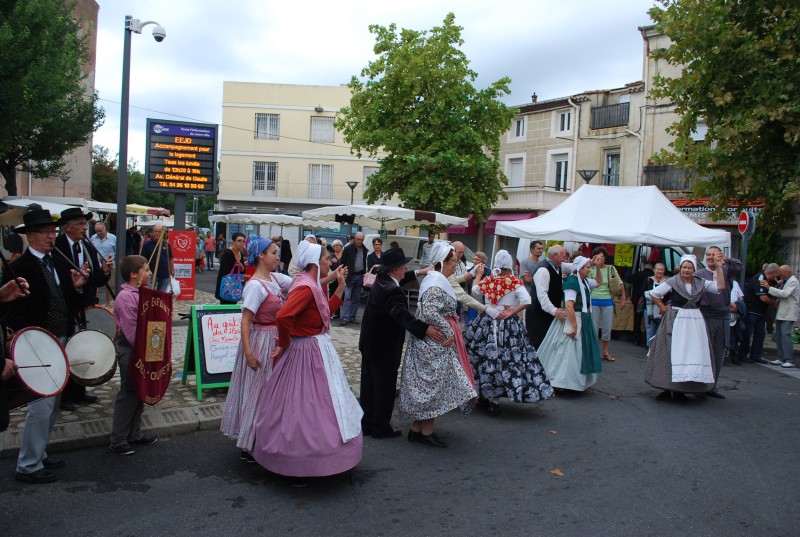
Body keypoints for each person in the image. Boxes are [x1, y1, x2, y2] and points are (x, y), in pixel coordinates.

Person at [251, 240, 362, 477]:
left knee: (320, 405)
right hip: (305, 352)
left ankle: (315, 458)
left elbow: (321, 318)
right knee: (305, 407)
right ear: (314, 262)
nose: (328, 261)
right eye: (325, 258)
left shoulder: (310, 284)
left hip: (315, 349)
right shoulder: (304, 287)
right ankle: (300, 461)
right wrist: (284, 343)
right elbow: (283, 317)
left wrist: (340, 288)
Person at [3, 208, 89, 484]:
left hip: (60, 338)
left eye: (53, 232)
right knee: (40, 405)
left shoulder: (58, 263)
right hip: (36, 342)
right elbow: (10, 311)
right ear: (30, 236)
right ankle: (28, 464)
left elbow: (68, 303)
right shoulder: (19, 268)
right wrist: (24, 340)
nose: (51, 236)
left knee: (53, 403)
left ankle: (39, 453)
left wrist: (75, 287)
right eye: (45, 232)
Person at [221, 236, 292, 461]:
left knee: (270, 392)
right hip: (261, 340)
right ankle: (250, 442)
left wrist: (330, 276)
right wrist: (249, 353)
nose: (277, 256)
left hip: (274, 340)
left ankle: (263, 438)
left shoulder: (275, 278)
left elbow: (303, 283)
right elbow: (245, 321)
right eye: (273, 252)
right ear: (261, 256)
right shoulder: (254, 286)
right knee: (257, 392)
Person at [400, 242, 477, 448]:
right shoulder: (436, 282)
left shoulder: (437, 279)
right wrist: (448, 329)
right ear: (442, 262)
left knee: (428, 386)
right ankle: (426, 432)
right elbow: (429, 312)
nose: (455, 264)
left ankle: (417, 430)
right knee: (433, 387)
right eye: (453, 261)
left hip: (432, 341)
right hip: (434, 342)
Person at [358, 248, 439, 438]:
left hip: (370, 343)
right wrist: (424, 328)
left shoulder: (383, 280)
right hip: (383, 346)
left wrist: (420, 271)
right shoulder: (392, 290)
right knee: (384, 388)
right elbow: (401, 315)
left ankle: (368, 424)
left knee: (369, 387)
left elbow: (402, 279)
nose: (406, 268)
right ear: (395, 269)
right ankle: (380, 428)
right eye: (403, 266)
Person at [465, 250, 555, 416]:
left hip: (487, 322)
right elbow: (527, 300)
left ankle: (486, 395)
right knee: (509, 360)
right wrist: (513, 311)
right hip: (507, 325)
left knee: (484, 358)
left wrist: (478, 274)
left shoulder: (489, 280)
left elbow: (475, 292)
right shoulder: (514, 282)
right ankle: (495, 400)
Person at [645, 254, 725, 400]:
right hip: (676, 319)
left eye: (690, 268)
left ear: (694, 269)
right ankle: (667, 389)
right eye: (684, 267)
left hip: (695, 321)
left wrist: (719, 268)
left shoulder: (700, 282)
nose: (686, 270)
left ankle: (682, 389)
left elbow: (719, 287)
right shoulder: (673, 282)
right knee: (672, 353)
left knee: (691, 354)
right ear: (680, 268)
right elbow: (654, 294)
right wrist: (663, 307)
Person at [55, 208, 111, 411]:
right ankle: (65, 395)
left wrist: (105, 272)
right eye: (80, 224)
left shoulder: (86, 245)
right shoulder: (57, 247)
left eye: (84, 223)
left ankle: (80, 391)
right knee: (67, 350)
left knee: (82, 347)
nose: (84, 227)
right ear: (68, 227)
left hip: (85, 306)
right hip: (67, 307)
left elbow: (95, 278)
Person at [109, 255, 159, 455]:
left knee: (140, 392)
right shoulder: (126, 297)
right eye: (146, 270)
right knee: (129, 393)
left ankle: (134, 434)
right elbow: (131, 333)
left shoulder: (142, 292)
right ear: (133, 274)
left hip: (143, 348)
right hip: (132, 350)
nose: (150, 273)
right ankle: (118, 439)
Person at [536, 255, 604, 392]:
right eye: (587, 268)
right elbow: (569, 305)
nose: (589, 270)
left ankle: (570, 381)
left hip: (582, 317)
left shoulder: (583, 281)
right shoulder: (572, 283)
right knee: (567, 351)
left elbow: (598, 282)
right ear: (579, 269)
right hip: (574, 317)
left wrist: (597, 267)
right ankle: (561, 381)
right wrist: (574, 325)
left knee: (577, 351)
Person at [696, 247, 743, 398]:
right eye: (708, 255)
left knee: (718, 353)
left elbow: (740, 267)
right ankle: (700, 387)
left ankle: (711, 387)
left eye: (714, 255)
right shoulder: (699, 274)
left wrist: (726, 260)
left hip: (723, 316)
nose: (710, 257)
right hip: (705, 315)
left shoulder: (726, 269)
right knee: (704, 353)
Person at [588, 246, 627, 362]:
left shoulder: (611, 268)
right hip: (593, 300)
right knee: (593, 328)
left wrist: (623, 298)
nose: (601, 259)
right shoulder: (590, 269)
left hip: (607, 301)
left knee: (607, 327)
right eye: (598, 257)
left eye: (602, 256)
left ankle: (605, 351)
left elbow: (620, 283)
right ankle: (594, 352)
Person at [529, 245, 570, 349]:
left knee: (547, 344)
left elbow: (572, 266)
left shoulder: (559, 266)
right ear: (555, 255)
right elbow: (542, 296)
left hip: (547, 314)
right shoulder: (543, 270)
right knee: (538, 343)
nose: (565, 259)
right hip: (538, 314)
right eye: (564, 257)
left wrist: (590, 262)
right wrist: (555, 311)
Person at [739, 263, 779, 365]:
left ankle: (756, 355)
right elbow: (763, 298)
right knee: (747, 334)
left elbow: (774, 286)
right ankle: (743, 355)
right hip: (752, 311)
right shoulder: (760, 278)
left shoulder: (768, 280)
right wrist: (774, 303)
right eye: (776, 274)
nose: (777, 276)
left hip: (761, 312)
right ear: (772, 272)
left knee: (760, 334)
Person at [763, 265, 800, 368]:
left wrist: (768, 288)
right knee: (779, 336)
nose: (779, 274)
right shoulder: (785, 281)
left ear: (788, 272)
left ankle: (789, 359)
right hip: (782, 312)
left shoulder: (793, 281)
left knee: (785, 335)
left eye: (781, 272)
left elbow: (785, 294)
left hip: (788, 313)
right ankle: (781, 357)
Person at [339, 231, 368, 326]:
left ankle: (352, 316)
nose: (359, 241)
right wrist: (343, 274)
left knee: (356, 298)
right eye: (358, 239)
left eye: (361, 240)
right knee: (347, 297)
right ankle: (345, 317)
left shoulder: (364, 249)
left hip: (359, 275)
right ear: (355, 239)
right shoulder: (348, 249)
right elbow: (342, 263)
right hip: (349, 276)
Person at [90, 221, 117, 307]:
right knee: (95, 283)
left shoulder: (113, 238)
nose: (98, 233)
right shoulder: (93, 238)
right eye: (96, 231)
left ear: (105, 229)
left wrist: (113, 261)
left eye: (100, 231)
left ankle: (108, 304)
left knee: (108, 284)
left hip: (109, 264)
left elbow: (117, 251)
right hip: (97, 264)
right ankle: (95, 302)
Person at [140, 225, 174, 293]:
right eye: (155, 231)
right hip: (151, 273)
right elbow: (142, 258)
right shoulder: (148, 244)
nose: (157, 233)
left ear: (162, 233)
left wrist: (171, 271)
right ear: (152, 232)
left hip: (164, 273)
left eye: (159, 232)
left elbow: (170, 259)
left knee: (161, 294)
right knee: (149, 292)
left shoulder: (166, 244)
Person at [627, 262, 654, 346]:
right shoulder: (653, 275)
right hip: (649, 301)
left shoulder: (638, 274)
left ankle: (636, 339)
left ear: (643, 267)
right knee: (649, 321)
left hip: (637, 299)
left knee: (637, 320)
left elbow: (628, 279)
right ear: (652, 268)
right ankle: (647, 340)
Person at [215, 232, 247, 304]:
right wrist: (236, 267)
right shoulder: (228, 253)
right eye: (239, 241)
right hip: (226, 285)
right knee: (225, 308)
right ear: (233, 242)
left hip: (235, 286)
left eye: (243, 241)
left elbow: (243, 271)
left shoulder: (240, 254)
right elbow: (226, 271)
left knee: (233, 306)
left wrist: (241, 266)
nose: (242, 243)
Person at [642, 263, 668, 348]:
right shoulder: (648, 280)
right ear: (654, 270)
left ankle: (657, 348)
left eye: (662, 269)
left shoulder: (667, 282)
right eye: (658, 269)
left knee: (659, 330)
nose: (659, 271)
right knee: (650, 329)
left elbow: (668, 295)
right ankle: (650, 347)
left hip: (662, 309)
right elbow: (643, 293)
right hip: (649, 309)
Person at [464, 251, 489, 325]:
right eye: (473, 259)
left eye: (477, 260)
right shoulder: (469, 271)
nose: (474, 261)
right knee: (470, 322)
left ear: (483, 261)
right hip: (470, 300)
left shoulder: (488, 272)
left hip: (482, 301)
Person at [329, 239, 344, 319]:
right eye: (335, 246)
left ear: (341, 246)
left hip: (342, 277)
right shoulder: (331, 255)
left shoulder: (344, 254)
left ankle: (345, 313)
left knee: (343, 295)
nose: (337, 247)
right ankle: (335, 313)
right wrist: (330, 261)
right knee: (333, 294)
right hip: (333, 278)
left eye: (338, 245)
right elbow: (328, 265)